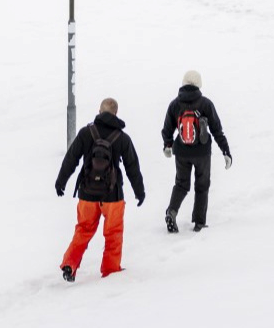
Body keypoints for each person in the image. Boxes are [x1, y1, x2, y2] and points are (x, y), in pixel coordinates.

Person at [54, 97, 145, 281]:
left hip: (87, 194)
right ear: (116, 113)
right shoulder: (122, 138)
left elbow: (71, 158)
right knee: (113, 233)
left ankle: (69, 264)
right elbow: (132, 167)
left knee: (83, 229)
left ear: (99, 111)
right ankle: (111, 271)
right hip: (113, 196)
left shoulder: (86, 133)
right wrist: (139, 191)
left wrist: (61, 181)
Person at [160, 69, 231, 233]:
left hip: (181, 152)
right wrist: (225, 151)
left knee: (181, 184)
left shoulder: (175, 104)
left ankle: (172, 211)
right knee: (202, 185)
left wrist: (167, 145)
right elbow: (217, 130)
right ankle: (199, 222)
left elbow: (167, 128)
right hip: (202, 153)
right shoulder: (206, 103)